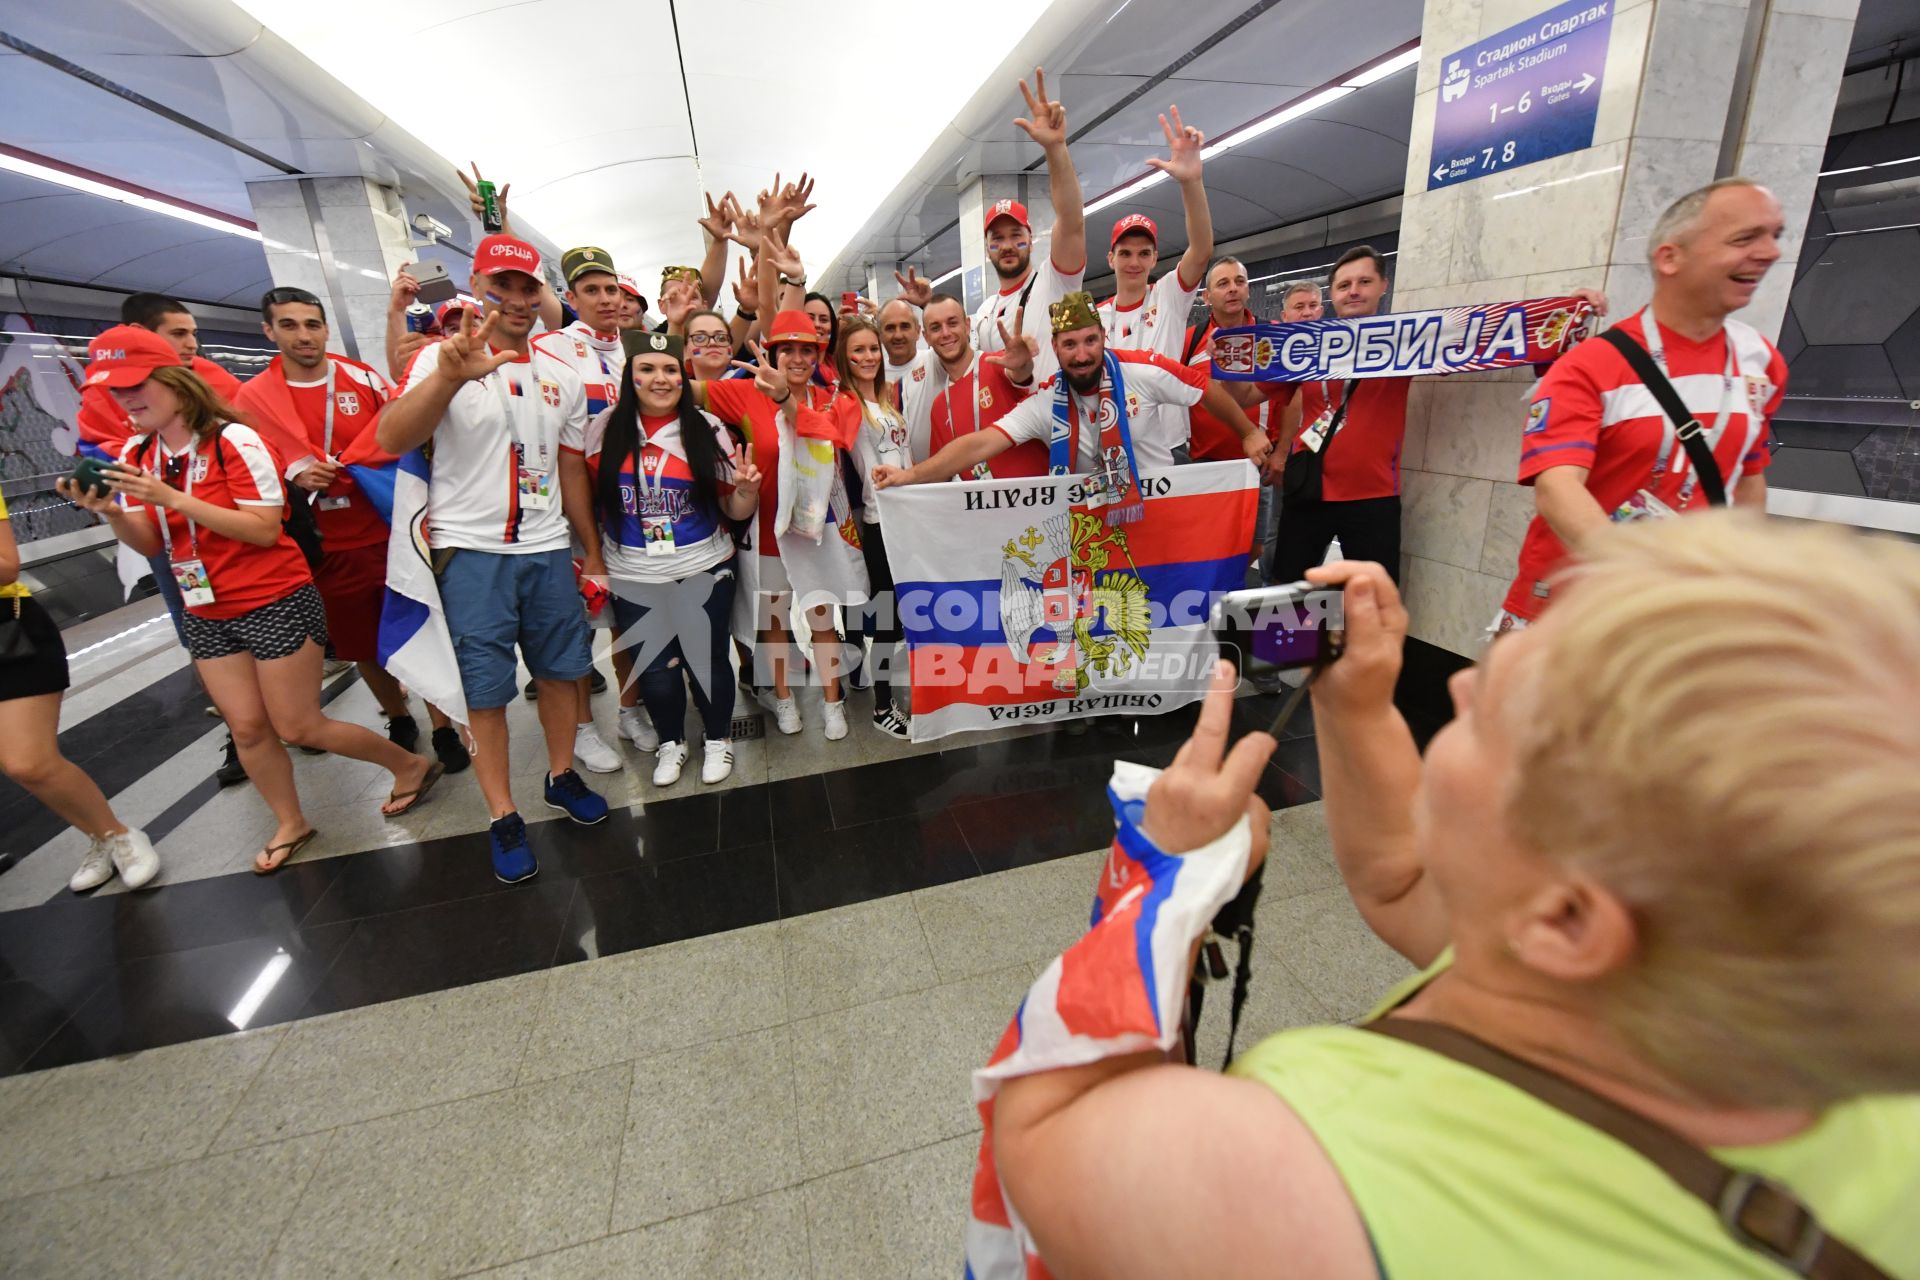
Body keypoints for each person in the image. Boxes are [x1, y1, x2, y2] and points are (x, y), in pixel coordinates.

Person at [983, 513, 1920, 1278]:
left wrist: (1164, 881)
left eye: (1506, 718)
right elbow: (1404, 880)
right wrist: (1357, 706)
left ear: (1568, 919)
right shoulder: (1806, 1034)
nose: (1464, 686)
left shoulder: (1314, 1179)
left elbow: (1042, 1132)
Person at [63, 328, 442, 875]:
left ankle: (408, 765)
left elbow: (264, 530)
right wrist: (116, 513)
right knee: (246, 729)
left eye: (135, 385)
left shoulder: (233, 441)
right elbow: (152, 544)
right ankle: (291, 821)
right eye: (115, 392)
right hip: (205, 610)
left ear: (173, 381)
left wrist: (172, 498)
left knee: (299, 725)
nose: (126, 399)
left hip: (273, 598)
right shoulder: (136, 453)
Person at [376, 234, 608, 885]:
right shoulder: (438, 360)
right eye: (500, 285)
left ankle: (561, 775)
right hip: (470, 552)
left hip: (544, 546)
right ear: (476, 287)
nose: (513, 299)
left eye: (526, 287)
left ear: (542, 296)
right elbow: (390, 436)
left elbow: (569, 473)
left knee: (564, 670)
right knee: (485, 690)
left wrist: (588, 550)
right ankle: (503, 813)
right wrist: (449, 375)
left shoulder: (562, 378)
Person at [1495, 177, 1786, 630]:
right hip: (1574, 609)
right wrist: (1636, 580)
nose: (1770, 252)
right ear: (1670, 257)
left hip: (1684, 615)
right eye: (1744, 238)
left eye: (1775, 235)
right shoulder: (1589, 365)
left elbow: (1748, 479)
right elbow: (1557, 487)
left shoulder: (1761, 362)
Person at [239, 286, 470, 773]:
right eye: (289, 325)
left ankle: (444, 725)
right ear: (269, 330)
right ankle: (398, 714)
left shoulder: (360, 378)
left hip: (387, 526)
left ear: (324, 328)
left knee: (419, 623)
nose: (304, 336)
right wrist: (291, 473)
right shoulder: (252, 399)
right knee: (359, 642)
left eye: (312, 324)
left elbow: (404, 424)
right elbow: (247, 465)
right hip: (323, 542)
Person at [561, 332, 761, 786]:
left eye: (670, 369)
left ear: (682, 374)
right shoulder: (603, 430)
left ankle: (717, 740)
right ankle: (671, 742)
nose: (660, 379)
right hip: (633, 573)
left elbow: (734, 510)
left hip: (703, 568)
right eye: (647, 369)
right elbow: (588, 500)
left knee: (707, 661)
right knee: (656, 672)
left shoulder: (707, 429)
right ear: (629, 377)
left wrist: (747, 490)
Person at [873, 292, 1268, 490]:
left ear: (1103, 338)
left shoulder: (1142, 369)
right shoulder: (1048, 402)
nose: (1082, 355)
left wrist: (1248, 432)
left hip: (1156, 505)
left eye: (1090, 341)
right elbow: (977, 444)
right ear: (1057, 349)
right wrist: (909, 476)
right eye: (1070, 345)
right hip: (1088, 523)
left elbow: (1203, 390)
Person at [691, 310, 863, 740]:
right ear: (773, 353)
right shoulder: (744, 394)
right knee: (772, 623)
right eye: (787, 349)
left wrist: (787, 397)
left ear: (818, 355)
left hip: (816, 535)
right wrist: (680, 335)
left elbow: (830, 437)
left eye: (807, 350)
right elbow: (676, 388)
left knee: (822, 620)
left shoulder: (834, 400)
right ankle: (783, 697)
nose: (798, 358)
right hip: (766, 532)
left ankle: (832, 701)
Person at [0, 489, 160, 892]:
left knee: (28, 762)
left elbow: (7, 567)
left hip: (10, 634)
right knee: (15, 766)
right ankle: (100, 838)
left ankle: (120, 835)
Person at [528, 246, 644, 771]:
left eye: (610, 289)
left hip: (631, 509)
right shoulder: (548, 348)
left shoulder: (636, 351)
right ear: (570, 298)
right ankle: (580, 727)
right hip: (565, 510)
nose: (603, 299)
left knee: (627, 619)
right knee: (572, 624)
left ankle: (630, 708)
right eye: (590, 290)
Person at [1098, 106, 1219, 466]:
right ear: (1111, 259)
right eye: (1125, 253)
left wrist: (1190, 182)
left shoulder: (1168, 295)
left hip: (1168, 448)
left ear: (1154, 259)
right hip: (1114, 449)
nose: (1134, 262)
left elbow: (1201, 249)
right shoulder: (1097, 317)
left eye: (1143, 253)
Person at [968, 69, 1088, 384]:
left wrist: (1055, 149)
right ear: (987, 248)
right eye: (997, 238)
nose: (1007, 245)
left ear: (1031, 239)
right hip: (1009, 429)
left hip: (1057, 427)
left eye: (1016, 235)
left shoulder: (1055, 282)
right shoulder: (984, 312)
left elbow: (1072, 220)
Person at [831, 316, 912, 738]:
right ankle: (882, 706)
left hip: (908, 519)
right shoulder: (847, 404)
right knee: (882, 620)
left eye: (872, 349)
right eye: (857, 351)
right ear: (844, 359)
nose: (867, 357)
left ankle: (901, 693)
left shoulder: (887, 401)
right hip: (879, 525)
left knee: (902, 614)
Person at [919, 293, 1042, 477]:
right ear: (926, 337)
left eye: (952, 323)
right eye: (935, 328)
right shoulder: (938, 407)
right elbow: (941, 471)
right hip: (980, 504)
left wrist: (1023, 365)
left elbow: (1020, 374)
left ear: (967, 326)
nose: (945, 333)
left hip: (1034, 500)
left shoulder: (999, 364)